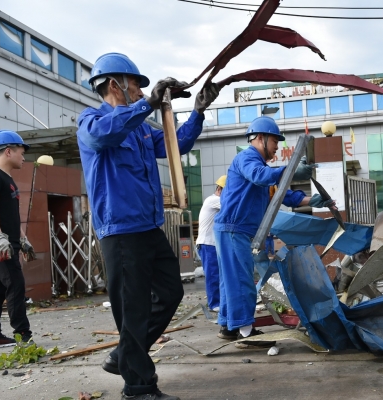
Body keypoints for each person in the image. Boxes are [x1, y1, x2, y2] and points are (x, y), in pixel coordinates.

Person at [77, 52, 219, 400]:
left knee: (170, 292)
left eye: (144, 90)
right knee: (134, 307)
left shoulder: (140, 127)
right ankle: (139, 388)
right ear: (115, 85)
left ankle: (125, 353)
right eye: (137, 88)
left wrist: (198, 112)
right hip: (121, 231)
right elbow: (103, 136)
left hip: (149, 227)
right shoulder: (91, 121)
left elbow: (175, 144)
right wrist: (147, 105)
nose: (142, 94)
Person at [214, 116, 334, 348]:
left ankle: (229, 327)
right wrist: (290, 170)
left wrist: (315, 200)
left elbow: (283, 195)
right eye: (274, 141)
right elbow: (261, 177)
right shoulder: (247, 158)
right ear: (260, 138)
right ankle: (246, 333)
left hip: (236, 230)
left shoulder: (260, 167)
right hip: (233, 229)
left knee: (231, 280)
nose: (277, 146)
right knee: (240, 280)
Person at [0, 130, 35, 347]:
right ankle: (23, 335)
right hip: (0, 245)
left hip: (9, 243)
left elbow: (9, 214)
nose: (23, 156)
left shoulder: (7, 179)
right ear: (8, 151)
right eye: (21, 151)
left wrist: (22, 238)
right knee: (16, 285)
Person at [196, 175, 226, 312]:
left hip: (213, 244)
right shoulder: (213, 200)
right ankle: (214, 304)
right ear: (219, 189)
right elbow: (233, 206)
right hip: (208, 244)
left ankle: (218, 301)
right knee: (213, 274)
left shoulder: (217, 201)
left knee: (218, 274)